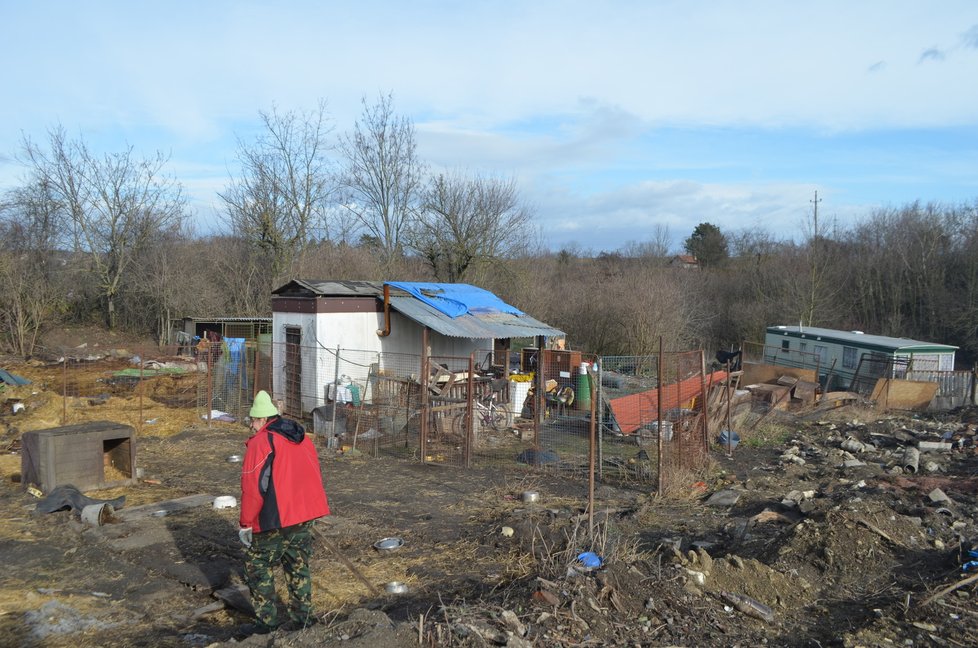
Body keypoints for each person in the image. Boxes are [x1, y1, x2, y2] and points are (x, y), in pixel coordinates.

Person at [237, 390, 330, 636]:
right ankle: (304, 620)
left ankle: (266, 625)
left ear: (259, 419)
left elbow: (253, 488)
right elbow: (313, 471)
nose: (251, 426)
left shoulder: (261, 443)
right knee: (297, 564)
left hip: (275, 517)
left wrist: (246, 523)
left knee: (258, 566)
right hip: (303, 514)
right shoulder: (301, 437)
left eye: (252, 421)